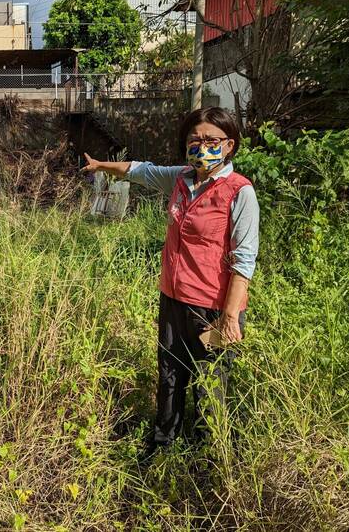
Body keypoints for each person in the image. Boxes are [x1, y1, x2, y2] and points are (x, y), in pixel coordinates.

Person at [81, 107, 259, 453]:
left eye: (211, 140)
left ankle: (210, 453)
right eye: (195, 139)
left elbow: (244, 260)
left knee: (211, 382)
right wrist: (101, 166)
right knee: (170, 374)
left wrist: (231, 315)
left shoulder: (239, 192)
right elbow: (140, 171)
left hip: (212, 307)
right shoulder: (181, 178)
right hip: (173, 298)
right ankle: (164, 442)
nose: (201, 146)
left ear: (229, 145)